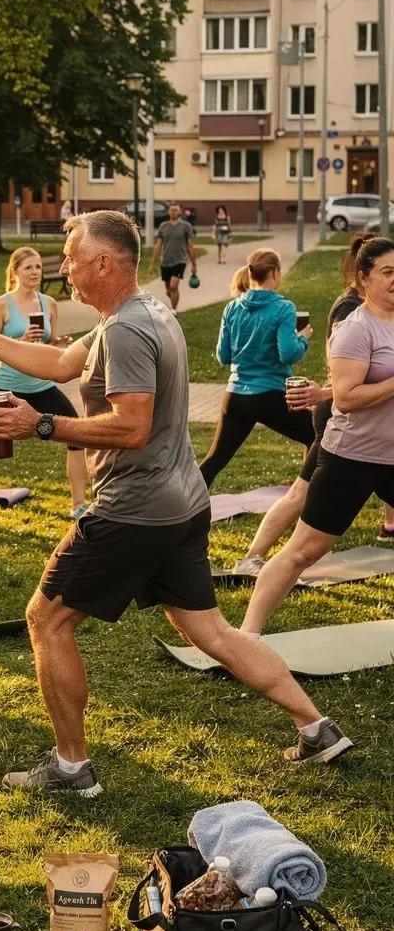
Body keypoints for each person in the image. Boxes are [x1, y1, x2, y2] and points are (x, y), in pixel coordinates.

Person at [0, 210, 351, 791]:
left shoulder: (124, 329)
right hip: (182, 504)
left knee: (46, 619)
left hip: (135, 507)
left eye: (71, 256)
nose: (62, 267)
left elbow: (130, 427)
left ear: (103, 262)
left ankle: (70, 766)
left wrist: (39, 424)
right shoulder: (139, 312)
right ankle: (316, 726)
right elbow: (62, 362)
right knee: (213, 632)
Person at [242, 235, 394, 641]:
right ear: (363, 279)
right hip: (353, 458)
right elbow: (346, 397)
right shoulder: (354, 328)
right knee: (304, 551)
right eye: (388, 272)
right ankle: (248, 635)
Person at [0, 247, 89, 518]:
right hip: (5, 384)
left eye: (37, 267)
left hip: (40, 383)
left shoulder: (49, 303)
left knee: (76, 433)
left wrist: (60, 344)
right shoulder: (2, 304)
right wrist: (19, 343)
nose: (35, 272)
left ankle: (78, 504)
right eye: (28, 268)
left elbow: (49, 343)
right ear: (15, 272)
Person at [198, 249, 314, 490]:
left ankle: (183, 509)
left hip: (236, 397)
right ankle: (305, 498)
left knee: (215, 460)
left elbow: (223, 356)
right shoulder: (283, 308)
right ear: (274, 272)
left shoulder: (232, 308)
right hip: (271, 394)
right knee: (318, 435)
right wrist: (302, 337)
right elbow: (289, 353)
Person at [151, 202, 197, 311]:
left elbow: (190, 246)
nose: (173, 212)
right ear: (168, 211)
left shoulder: (186, 226)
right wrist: (153, 263)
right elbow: (158, 245)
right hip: (166, 261)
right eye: (171, 210)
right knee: (168, 289)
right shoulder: (163, 226)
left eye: (175, 210)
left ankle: (174, 310)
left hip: (180, 260)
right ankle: (172, 304)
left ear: (180, 211)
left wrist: (194, 264)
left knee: (173, 286)